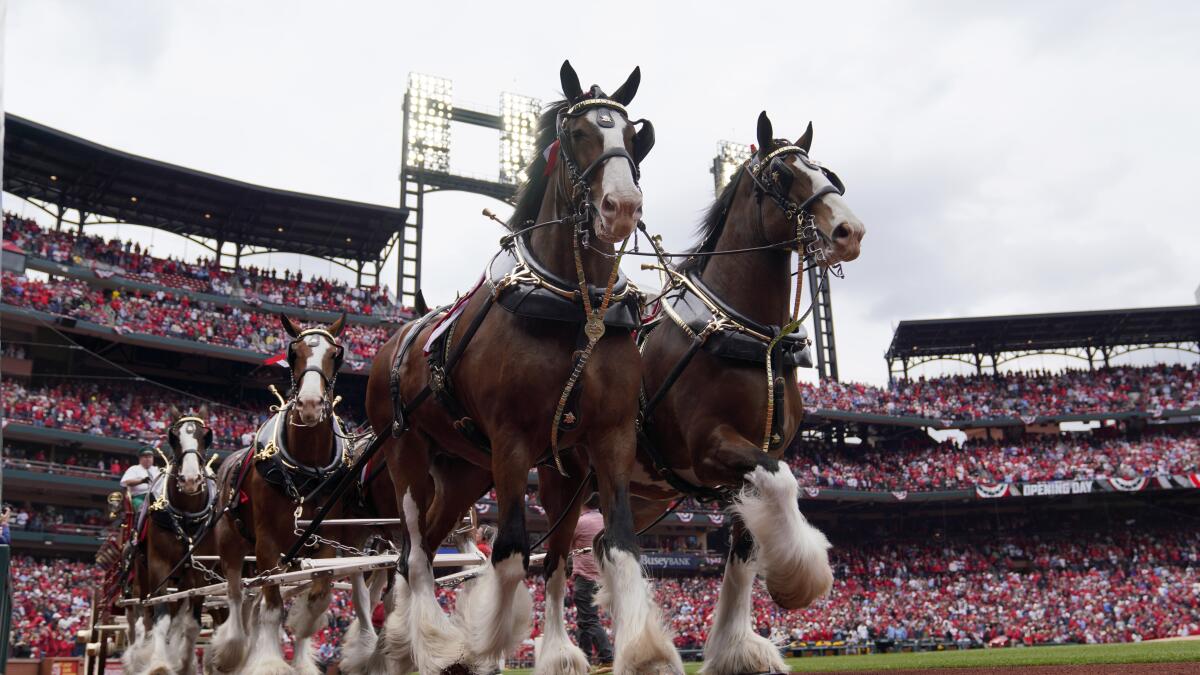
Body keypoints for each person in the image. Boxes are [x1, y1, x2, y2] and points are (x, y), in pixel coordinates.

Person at [570, 494, 613, 666]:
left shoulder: (580, 522)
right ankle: (585, 660)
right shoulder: (605, 521)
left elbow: (564, 545)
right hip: (600, 576)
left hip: (585, 577)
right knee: (584, 621)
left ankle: (607, 657)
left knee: (588, 620)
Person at [120, 447, 160, 512]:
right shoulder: (134, 469)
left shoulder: (157, 470)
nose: (148, 459)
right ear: (140, 458)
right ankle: (138, 521)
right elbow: (125, 482)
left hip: (156, 498)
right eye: (145, 457)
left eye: (150, 457)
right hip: (140, 497)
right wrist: (141, 481)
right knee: (142, 508)